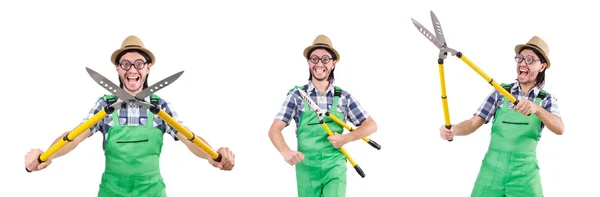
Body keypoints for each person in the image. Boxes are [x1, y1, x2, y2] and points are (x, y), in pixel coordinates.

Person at [24, 35, 235, 197]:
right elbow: (74, 137)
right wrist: (46, 155)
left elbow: (190, 139)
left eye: (139, 63)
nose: (132, 69)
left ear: (148, 67)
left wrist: (213, 155)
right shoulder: (105, 105)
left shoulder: (159, 106)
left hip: (152, 191)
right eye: (125, 64)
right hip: (111, 191)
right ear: (117, 68)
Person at [439, 36, 564, 196]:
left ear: (542, 66)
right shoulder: (500, 92)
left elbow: (559, 128)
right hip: (491, 171)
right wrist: (454, 130)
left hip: (524, 175)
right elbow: (473, 123)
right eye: (520, 58)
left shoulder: (546, 99)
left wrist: (537, 109)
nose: (523, 63)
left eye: (530, 59)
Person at [268, 34, 378, 197]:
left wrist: (346, 138)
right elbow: (274, 130)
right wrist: (286, 152)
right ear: (308, 62)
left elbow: (371, 125)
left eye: (325, 59)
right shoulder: (297, 95)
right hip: (306, 169)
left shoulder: (344, 97)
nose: (319, 64)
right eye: (314, 59)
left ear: (333, 63)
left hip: (335, 167)